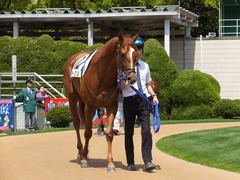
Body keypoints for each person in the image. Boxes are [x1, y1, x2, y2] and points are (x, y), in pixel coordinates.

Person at [121, 36, 159, 171]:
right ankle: (130, 162)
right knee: (129, 132)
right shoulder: (124, 67)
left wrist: (154, 96)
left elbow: (148, 84)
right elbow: (121, 87)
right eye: (137, 50)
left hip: (143, 101)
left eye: (140, 50)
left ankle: (148, 161)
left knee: (146, 131)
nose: (139, 53)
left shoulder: (145, 66)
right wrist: (127, 81)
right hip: (129, 101)